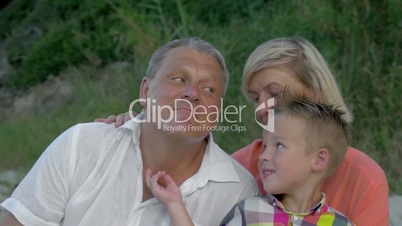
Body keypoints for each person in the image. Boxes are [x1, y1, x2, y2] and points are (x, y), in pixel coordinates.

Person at [97, 37, 389, 225]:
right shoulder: (242, 169)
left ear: (316, 93)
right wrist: (137, 127)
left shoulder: (361, 178)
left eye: (274, 93)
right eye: (255, 97)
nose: (262, 108)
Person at [0, 37, 259, 226]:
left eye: (209, 89)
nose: (192, 94)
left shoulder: (239, 192)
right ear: (146, 91)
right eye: (179, 79)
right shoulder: (81, 145)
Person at [221, 96, 355, 225]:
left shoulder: (341, 224)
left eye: (279, 145)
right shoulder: (248, 212)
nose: (263, 156)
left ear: (319, 160)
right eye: (265, 146)